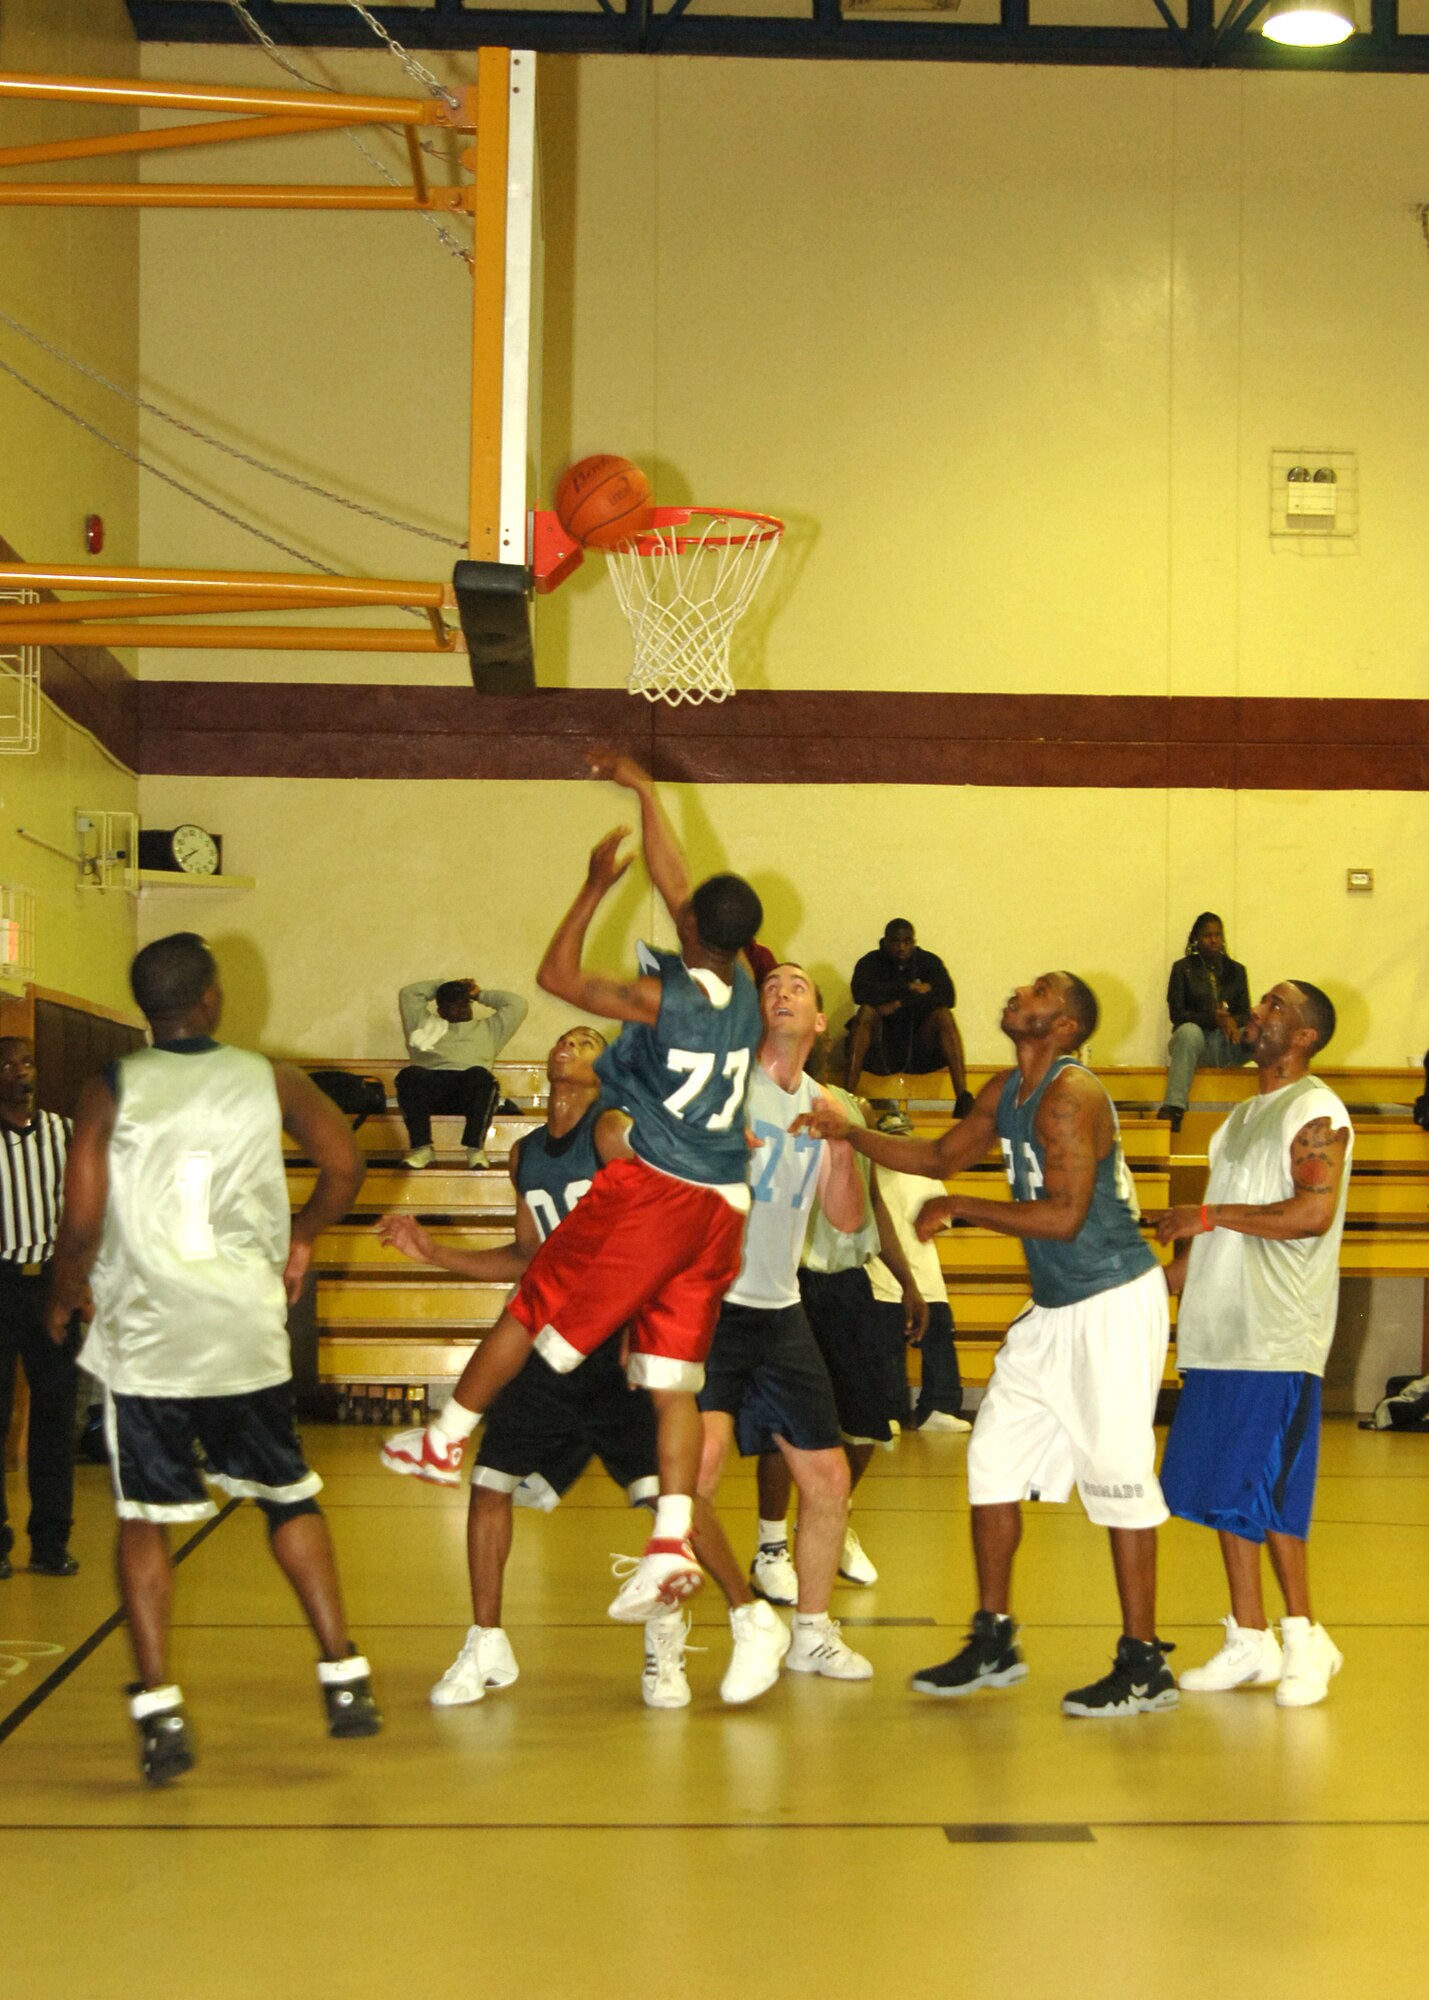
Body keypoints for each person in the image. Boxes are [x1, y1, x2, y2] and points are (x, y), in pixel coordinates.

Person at [381, 749, 764, 1631]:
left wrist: (592, 886)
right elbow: (679, 885)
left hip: (662, 1193)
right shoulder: (739, 983)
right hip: (721, 1207)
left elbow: (558, 978)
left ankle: (445, 1439)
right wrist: (646, 790)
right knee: (672, 1384)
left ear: (691, 928)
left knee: (537, 1297)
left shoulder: (668, 1002)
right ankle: (671, 1540)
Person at [46, 933, 381, 1785]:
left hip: (150, 1335)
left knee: (143, 1517)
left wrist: (65, 1287)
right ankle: (343, 1676)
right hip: (244, 1327)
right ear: (210, 1000)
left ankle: (159, 1711)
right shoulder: (269, 1077)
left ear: (148, 1009)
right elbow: (344, 1165)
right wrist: (302, 1236)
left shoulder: (109, 1086)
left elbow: (80, 1216)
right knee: (286, 1495)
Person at [800, 971, 1176, 1718]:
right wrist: (849, 1133)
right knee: (992, 1459)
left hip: (1109, 1302)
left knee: (1119, 1477)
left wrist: (966, 1206)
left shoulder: (1071, 1097)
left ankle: (1143, 1665)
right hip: (1054, 1309)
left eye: (1037, 991)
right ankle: (994, 1637)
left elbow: (1065, 1218)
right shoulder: (1010, 1087)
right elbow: (940, 1157)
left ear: (1062, 1027)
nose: (1014, 990)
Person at [378, 1024, 689, 1710]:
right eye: (564, 1038)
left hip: (613, 1347)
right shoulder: (524, 1155)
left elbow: (664, 1231)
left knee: (658, 1502)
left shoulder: (611, 1132)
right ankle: (485, 1641)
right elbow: (527, 1257)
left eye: (585, 1041)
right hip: (548, 1345)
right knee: (488, 1484)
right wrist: (437, 1255)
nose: (567, 1043)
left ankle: (665, 1641)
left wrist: (649, 1328)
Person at [1156, 980, 1352, 1708]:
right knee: (1220, 1494)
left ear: (1301, 1035)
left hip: (1276, 1338)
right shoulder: (1238, 1115)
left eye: (1273, 1006)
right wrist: (1153, 1288)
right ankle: (1249, 1638)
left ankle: (1305, 1638)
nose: (1256, 1014)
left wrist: (1204, 1215)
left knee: (1270, 1493)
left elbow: (1306, 1213)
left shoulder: (1315, 1110)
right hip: (1216, 1333)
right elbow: (1214, 1245)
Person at [692, 963, 873, 1684]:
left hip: (780, 1308)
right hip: (713, 1307)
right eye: (772, 986)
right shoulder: (730, 1086)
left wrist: (837, 1145)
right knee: (693, 1475)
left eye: (798, 987)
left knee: (827, 1478)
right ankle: (676, 1635)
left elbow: (847, 1219)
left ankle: (812, 1634)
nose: (782, 991)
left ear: (821, 1021)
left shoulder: (828, 1104)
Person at [0, 1038, 79, 1580]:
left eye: (27, 1061)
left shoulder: (64, 1132)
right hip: (1, 1281)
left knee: (55, 1418)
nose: (18, 1072)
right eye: (6, 1064)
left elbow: (86, 1209)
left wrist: (80, 1284)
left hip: (50, 1283)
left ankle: (50, 1542)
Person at [866, 1113, 969, 1433]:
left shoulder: (877, 1171)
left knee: (897, 1351)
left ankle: (902, 1410)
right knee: (911, 1348)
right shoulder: (914, 1174)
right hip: (904, 1276)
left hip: (901, 1276)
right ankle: (921, 1407)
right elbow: (937, 1221)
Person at [397, 975, 527, 1170]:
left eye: (465, 1002)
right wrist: (443, 984)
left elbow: (517, 1004)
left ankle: (475, 1149)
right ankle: (422, 1150)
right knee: (410, 1075)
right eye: (454, 1004)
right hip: (430, 1088)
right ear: (440, 1010)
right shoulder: (423, 1026)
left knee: (481, 1076)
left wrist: (478, 994)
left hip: (469, 1092)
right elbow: (409, 994)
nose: (463, 1007)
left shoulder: (489, 1029)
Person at [846, 919, 972, 1113]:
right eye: (896, 942)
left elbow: (948, 996)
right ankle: (847, 1097)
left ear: (914, 942)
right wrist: (909, 988)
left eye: (907, 942)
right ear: (885, 942)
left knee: (944, 1015)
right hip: (881, 1048)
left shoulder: (928, 962)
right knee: (866, 1012)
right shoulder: (870, 962)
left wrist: (898, 1002)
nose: (901, 947)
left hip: (919, 1048)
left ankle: (963, 1098)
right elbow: (860, 994)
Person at [1157, 912, 1251, 1132]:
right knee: (1189, 1032)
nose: (1214, 940)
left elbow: (1245, 1012)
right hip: (1193, 1045)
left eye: (1218, 934)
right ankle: (1174, 1107)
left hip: (1227, 1044)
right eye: (1208, 935)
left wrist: (1231, 1022)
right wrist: (1214, 1018)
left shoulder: (1236, 971)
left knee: (1261, 1031)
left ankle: (1273, 1102)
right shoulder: (1182, 969)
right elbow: (1177, 1014)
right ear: (1196, 939)